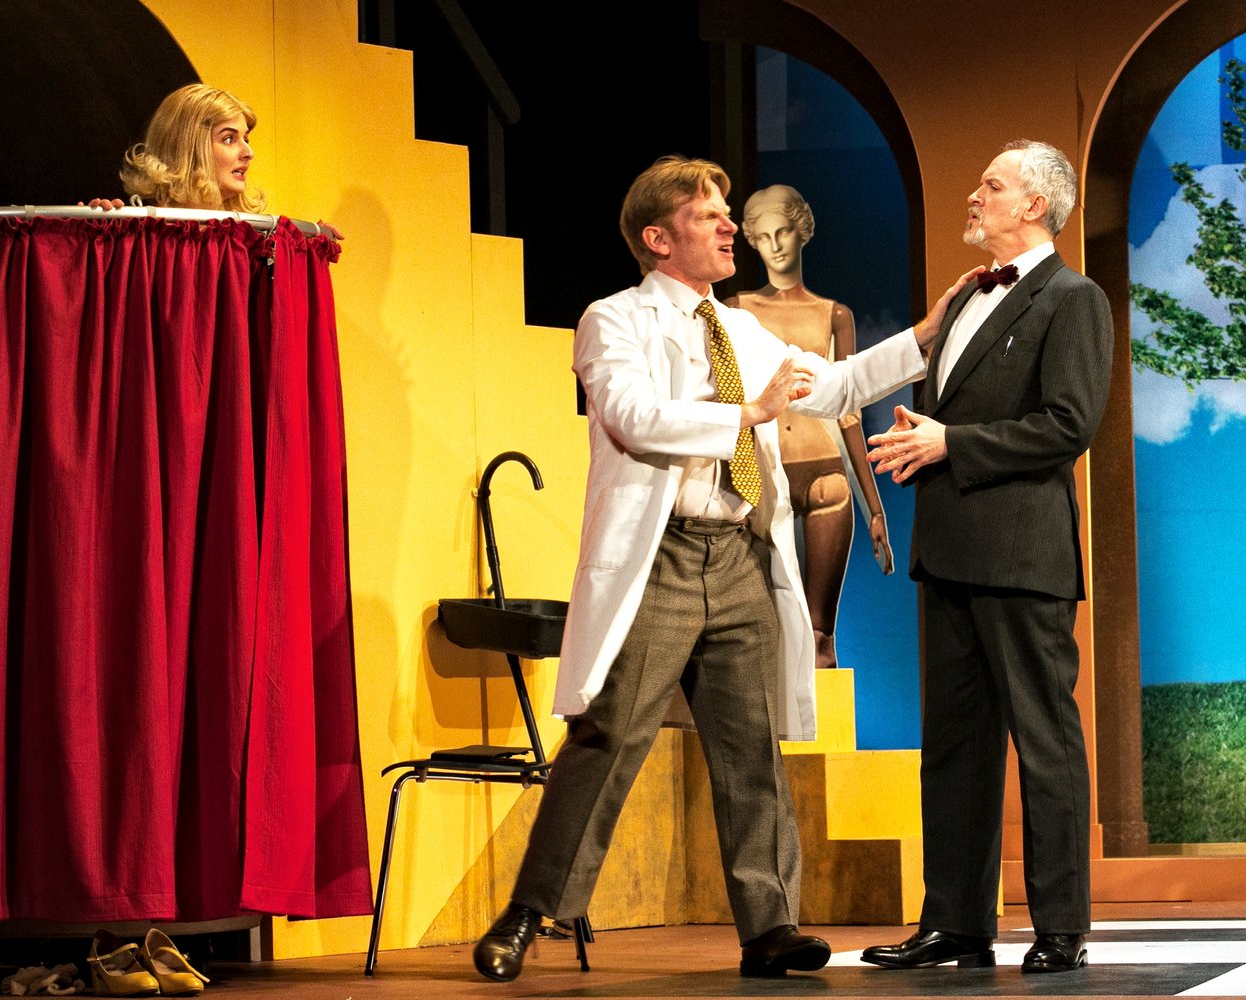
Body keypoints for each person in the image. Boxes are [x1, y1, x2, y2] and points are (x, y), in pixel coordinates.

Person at [471, 155, 979, 982]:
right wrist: (749, 412)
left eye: (726, 212)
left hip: (740, 554)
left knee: (751, 748)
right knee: (609, 735)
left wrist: (925, 334)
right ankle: (530, 911)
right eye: (709, 214)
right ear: (658, 238)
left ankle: (769, 927)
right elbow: (634, 417)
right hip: (664, 557)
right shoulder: (614, 319)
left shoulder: (739, 329)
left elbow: (831, 385)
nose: (729, 225)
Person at [860, 140, 1113, 975]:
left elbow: (1068, 424)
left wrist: (950, 444)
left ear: (1035, 205)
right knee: (954, 747)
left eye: (992, 185)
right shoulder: (966, 295)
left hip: (1021, 555)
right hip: (948, 552)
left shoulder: (1073, 299)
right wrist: (921, 440)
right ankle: (956, 922)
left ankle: (1061, 925)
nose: (975, 195)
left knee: (1044, 741)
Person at [725, 185, 894, 670]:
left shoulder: (833, 314)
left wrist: (875, 509)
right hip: (761, 473)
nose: (775, 245)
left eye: (782, 232)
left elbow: (848, 411)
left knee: (821, 636)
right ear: (752, 241)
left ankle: (825, 721)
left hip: (826, 472)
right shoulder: (736, 310)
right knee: (758, 630)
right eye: (763, 236)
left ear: (802, 231)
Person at [86, 83, 262, 212]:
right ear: (187, 149)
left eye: (246, 139)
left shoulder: (251, 240)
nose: (249, 153)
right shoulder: (134, 236)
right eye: (229, 139)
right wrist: (88, 238)